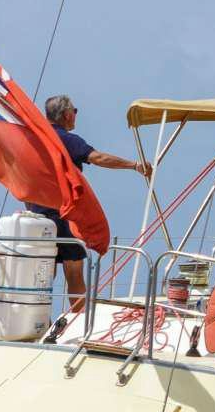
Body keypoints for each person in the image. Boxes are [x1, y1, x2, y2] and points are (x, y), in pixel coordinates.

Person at [34, 95, 150, 315]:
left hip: (36, 214)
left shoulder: (36, 138)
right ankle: (79, 320)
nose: (76, 115)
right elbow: (98, 158)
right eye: (75, 111)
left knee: (45, 270)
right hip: (61, 214)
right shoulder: (67, 140)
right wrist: (134, 165)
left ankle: (39, 320)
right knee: (74, 267)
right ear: (67, 114)